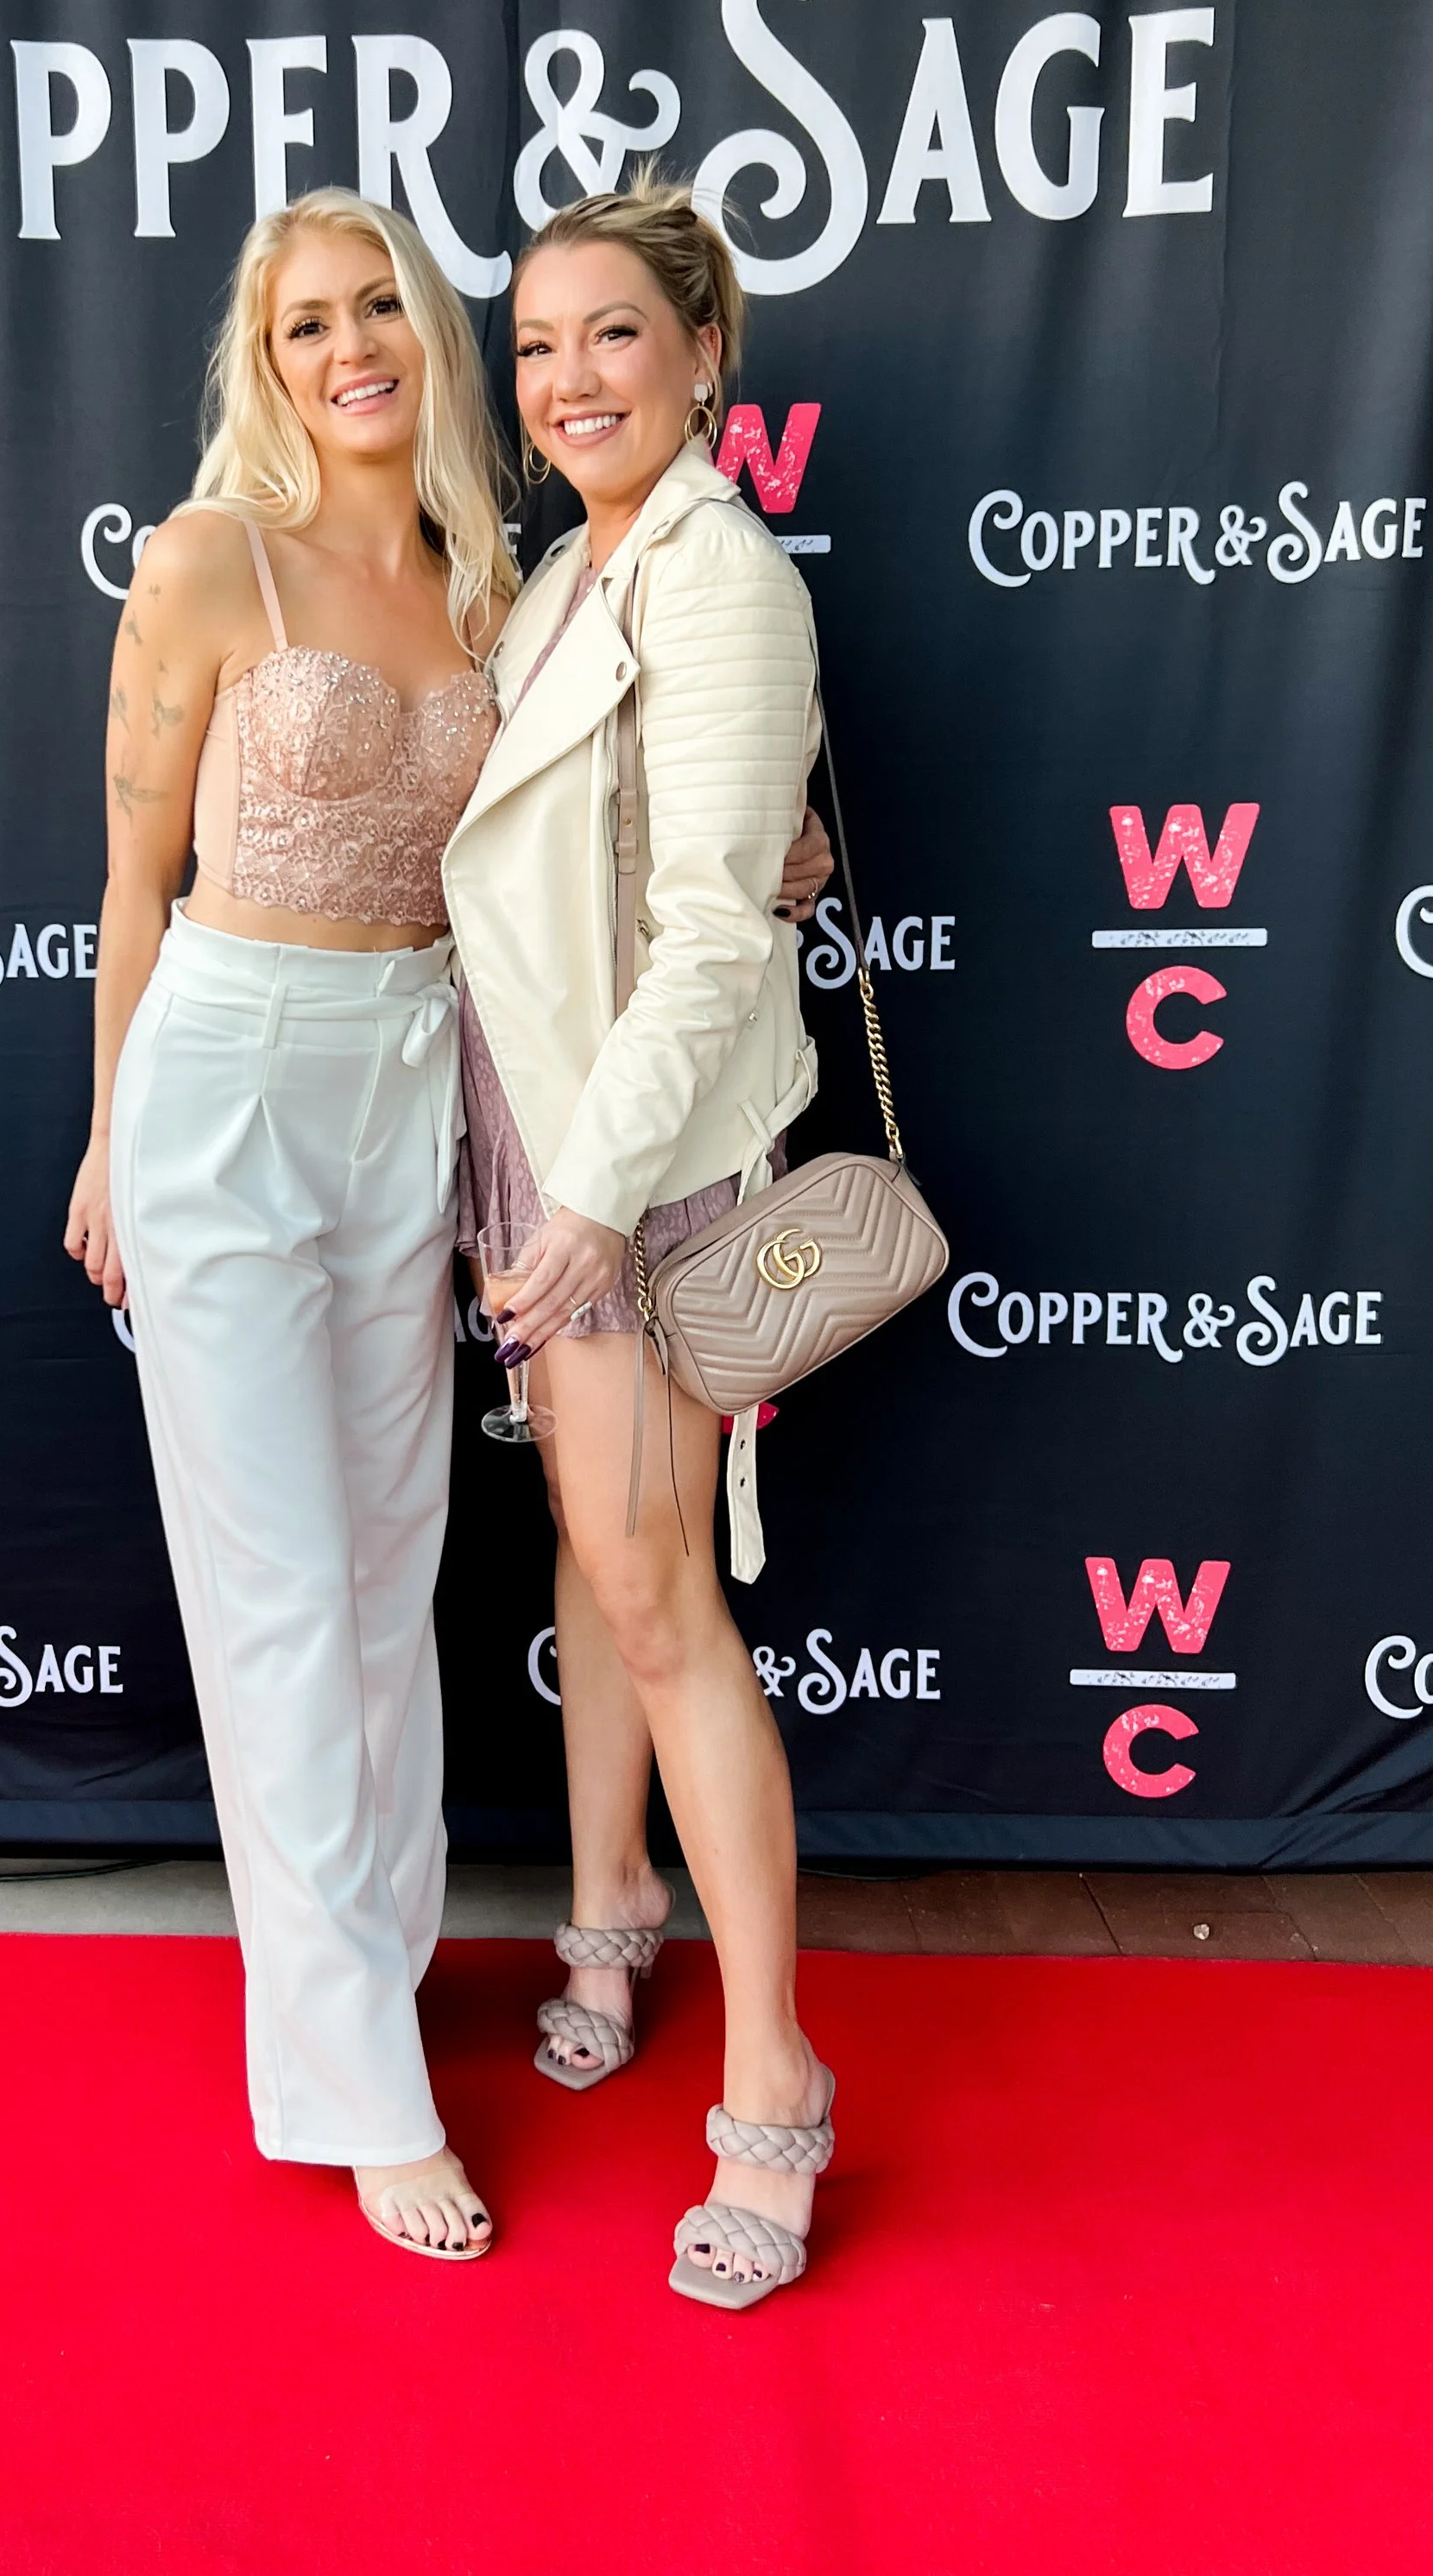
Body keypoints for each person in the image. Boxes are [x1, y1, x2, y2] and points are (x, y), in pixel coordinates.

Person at [64, 189, 510, 2259]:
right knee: (268, 1587)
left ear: (424, 335)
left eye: (376, 310)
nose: (348, 346)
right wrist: (105, 1135)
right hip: (226, 1079)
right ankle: (357, 2087)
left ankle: (369, 1965)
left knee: (383, 1569)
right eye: (305, 320)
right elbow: (130, 876)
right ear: (264, 361)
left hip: (403, 1082)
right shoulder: (206, 563)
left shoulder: (481, 580)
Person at [442, 176, 836, 2310]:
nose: (567, 377)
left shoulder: (719, 574)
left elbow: (702, 932)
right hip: (529, 1127)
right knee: (593, 1559)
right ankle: (608, 1904)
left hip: (643, 1155)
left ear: (701, 356)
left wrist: (590, 1199)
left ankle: (773, 2080)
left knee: (663, 1595)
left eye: (610, 335)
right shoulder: (548, 575)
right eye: (533, 346)